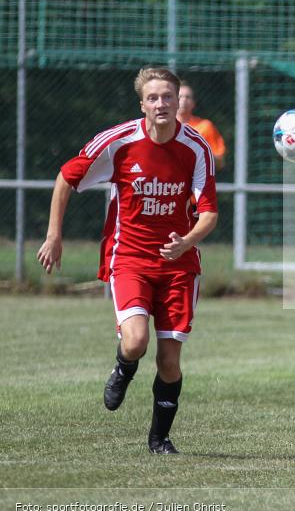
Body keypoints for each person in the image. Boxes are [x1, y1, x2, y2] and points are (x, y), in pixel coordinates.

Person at [37, 67, 218, 455]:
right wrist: (54, 235)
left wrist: (185, 242)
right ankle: (123, 368)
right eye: (153, 98)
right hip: (130, 258)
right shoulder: (119, 141)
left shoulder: (196, 147)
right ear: (142, 105)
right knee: (135, 342)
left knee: (170, 362)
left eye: (168, 96)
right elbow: (67, 177)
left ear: (178, 101)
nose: (161, 104)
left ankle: (159, 439)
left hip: (178, 266)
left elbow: (208, 213)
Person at [177, 82, 226, 171]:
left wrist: (201, 153)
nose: (183, 100)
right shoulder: (164, 126)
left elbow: (220, 163)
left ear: (193, 103)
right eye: (180, 97)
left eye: (187, 97)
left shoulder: (205, 126)